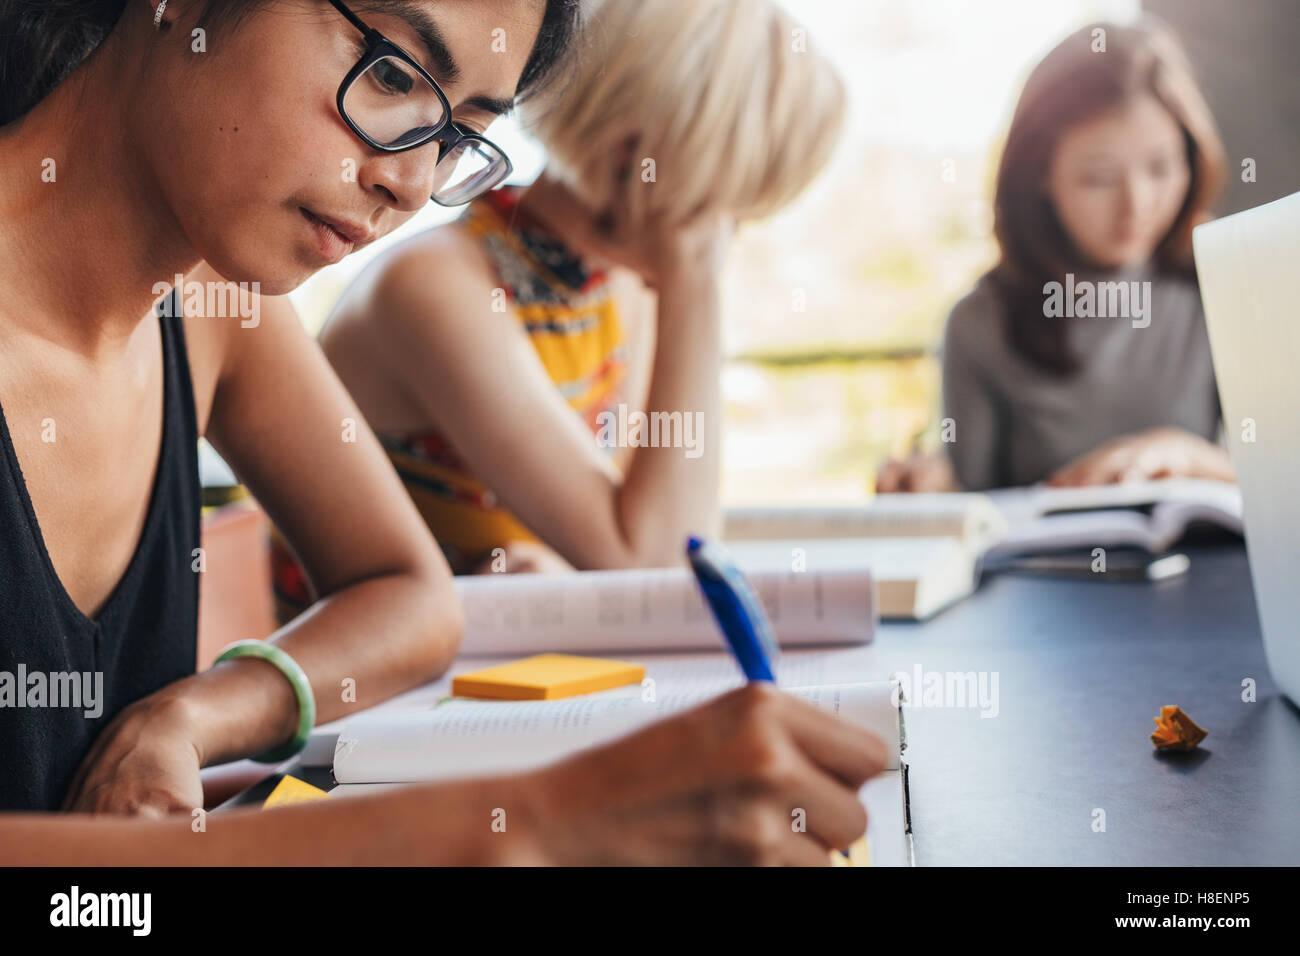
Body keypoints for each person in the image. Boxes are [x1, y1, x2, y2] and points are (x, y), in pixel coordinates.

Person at [0, 0, 883, 864]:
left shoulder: (212, 304)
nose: (413, 183)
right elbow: (644, 549)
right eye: (390, 72)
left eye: (457, 134)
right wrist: (529, 825)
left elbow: (410, 591)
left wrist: (190, 717)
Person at [294, 0, 845, 593]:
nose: (723, 241)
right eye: (723, 210)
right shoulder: (436, 286)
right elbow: (660, 567)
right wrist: (695, 286)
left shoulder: (619, 289)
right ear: (633, 158)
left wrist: (564, 569)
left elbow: (645, 525)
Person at [876, 19, 1233, 493]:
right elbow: (970, 500)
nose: (1137, 204)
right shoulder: (980, 325)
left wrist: (1192, 457)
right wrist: (926, 488)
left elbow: (1283, 477)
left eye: (1161, 168)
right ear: (1040, 175)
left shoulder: (1226, 289)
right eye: (1099, 178)